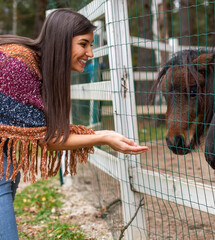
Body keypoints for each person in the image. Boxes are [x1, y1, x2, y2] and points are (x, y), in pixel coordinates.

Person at [0, 8, 149, 239]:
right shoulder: (18, 64)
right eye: (83, 44)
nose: (90, 52)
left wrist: (105, 135)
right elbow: (47, 139)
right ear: (61, 40)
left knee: (8, 172)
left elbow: (41, 132)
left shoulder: (36, 66)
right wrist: (103, 137)